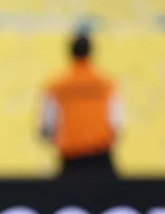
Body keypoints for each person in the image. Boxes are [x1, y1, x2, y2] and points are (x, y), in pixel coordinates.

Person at [40, 29, 121, 181]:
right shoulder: (106, 84)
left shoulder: (56, 85)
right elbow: (116, 123)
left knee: (70, 202)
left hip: (71, 158)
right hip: (100, 155)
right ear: (91, 51)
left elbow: (46, 126)